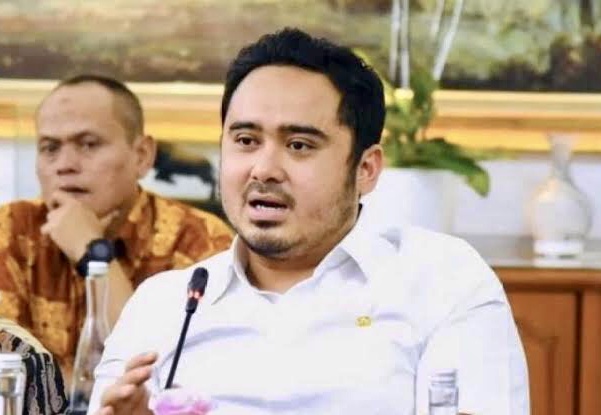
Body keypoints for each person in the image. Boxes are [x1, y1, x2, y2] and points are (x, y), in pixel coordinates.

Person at [90, 29, 529, 415]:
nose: (264, 169)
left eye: (299, 145)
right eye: (246, 140)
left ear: (366, 169)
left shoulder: (441, 281)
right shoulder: (163, 306)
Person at [0, 74, 233, 379]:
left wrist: (93, 253)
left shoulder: (199, 239)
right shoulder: (11, 229)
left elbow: (169, 380)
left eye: (88, 144)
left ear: (142, 156)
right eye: (49, 148)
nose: (65, 164)